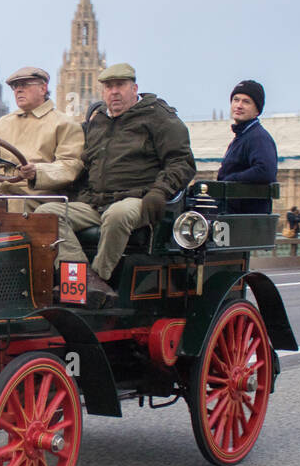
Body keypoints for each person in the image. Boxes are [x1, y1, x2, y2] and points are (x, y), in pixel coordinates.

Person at [37, 63, 195, 307]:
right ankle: (83, 279)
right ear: (102, 92)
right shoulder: (98, 121)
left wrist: (159, 191)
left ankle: (101, 280)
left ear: (134, 88)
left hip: (139, 198)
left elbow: (181, 162)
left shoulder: (158, 117)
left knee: (117, 215)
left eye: (120, 86)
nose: (114, 92)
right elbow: (84, 164)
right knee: (46, 214)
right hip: (96, 201)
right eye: (108, 87)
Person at [0, 66, 83, 198]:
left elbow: (70, 166)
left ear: (43, 89)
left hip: (39, 197)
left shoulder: (64, 124)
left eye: (24, 85)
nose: (18, 90)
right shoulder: (1, 124)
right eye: (15, 86)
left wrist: (37, 172)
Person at [216, 80, 277, 214]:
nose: (239, 105)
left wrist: (230, 181)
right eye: (236, 100)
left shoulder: (258, 137)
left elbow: (265, 170)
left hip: (244, 221)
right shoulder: (242, 136)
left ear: (257, 111)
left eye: (246, 102)